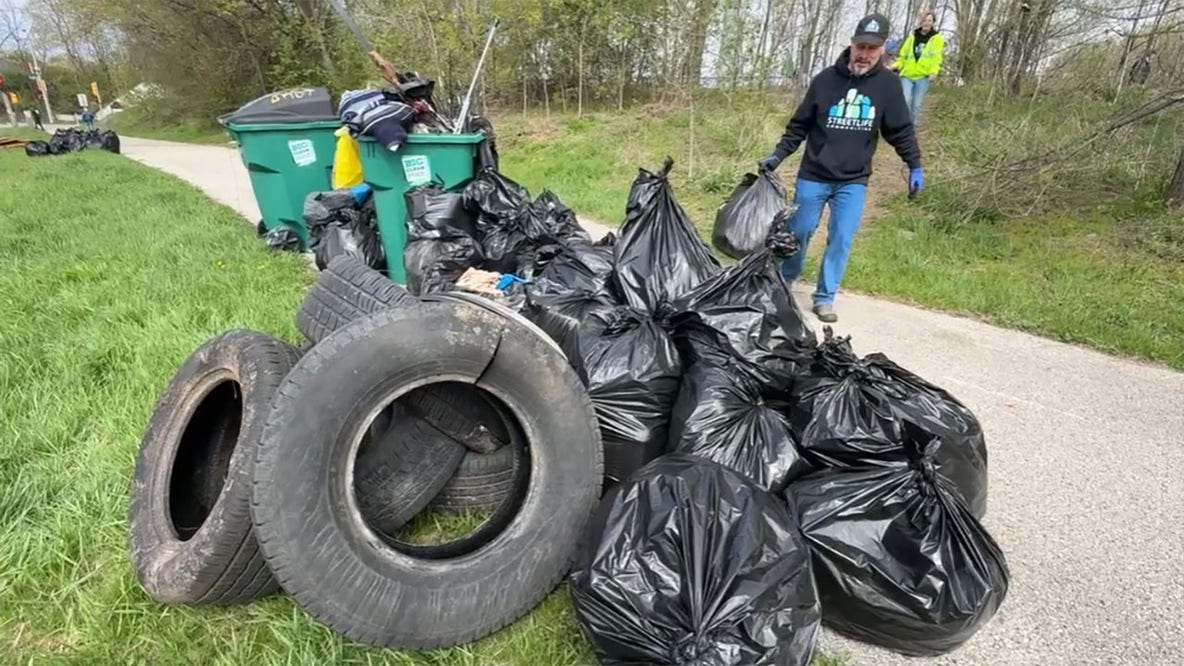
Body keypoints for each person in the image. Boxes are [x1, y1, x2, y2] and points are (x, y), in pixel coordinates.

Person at [758, 13, 922, 323]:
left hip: (853, 179)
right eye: (861, 46)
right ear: (851, 43)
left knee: (842, 236)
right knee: (799, 231)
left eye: (872, 49)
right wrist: (778, 155)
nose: (865, 54)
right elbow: (799, 126)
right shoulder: (824, 80)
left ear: (883, 49)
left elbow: (899, 130)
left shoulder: (888, 86)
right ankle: (784, 282)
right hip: (815, 173)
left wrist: (914, 165)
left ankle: (824, 297)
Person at [893, 10, 945, 125]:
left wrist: (934, 71)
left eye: (929, 20)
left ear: (933, 22)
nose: (926, 23)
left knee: (916, 104)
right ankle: (903, 125)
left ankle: (913, 127)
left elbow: (936, 57)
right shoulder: (912, 37)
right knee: (905, 100)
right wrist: (896, 65)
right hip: (907, 75)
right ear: (920, 22)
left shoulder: (936, 38)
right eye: (924, 20)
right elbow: (904, 55)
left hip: (923, 76)